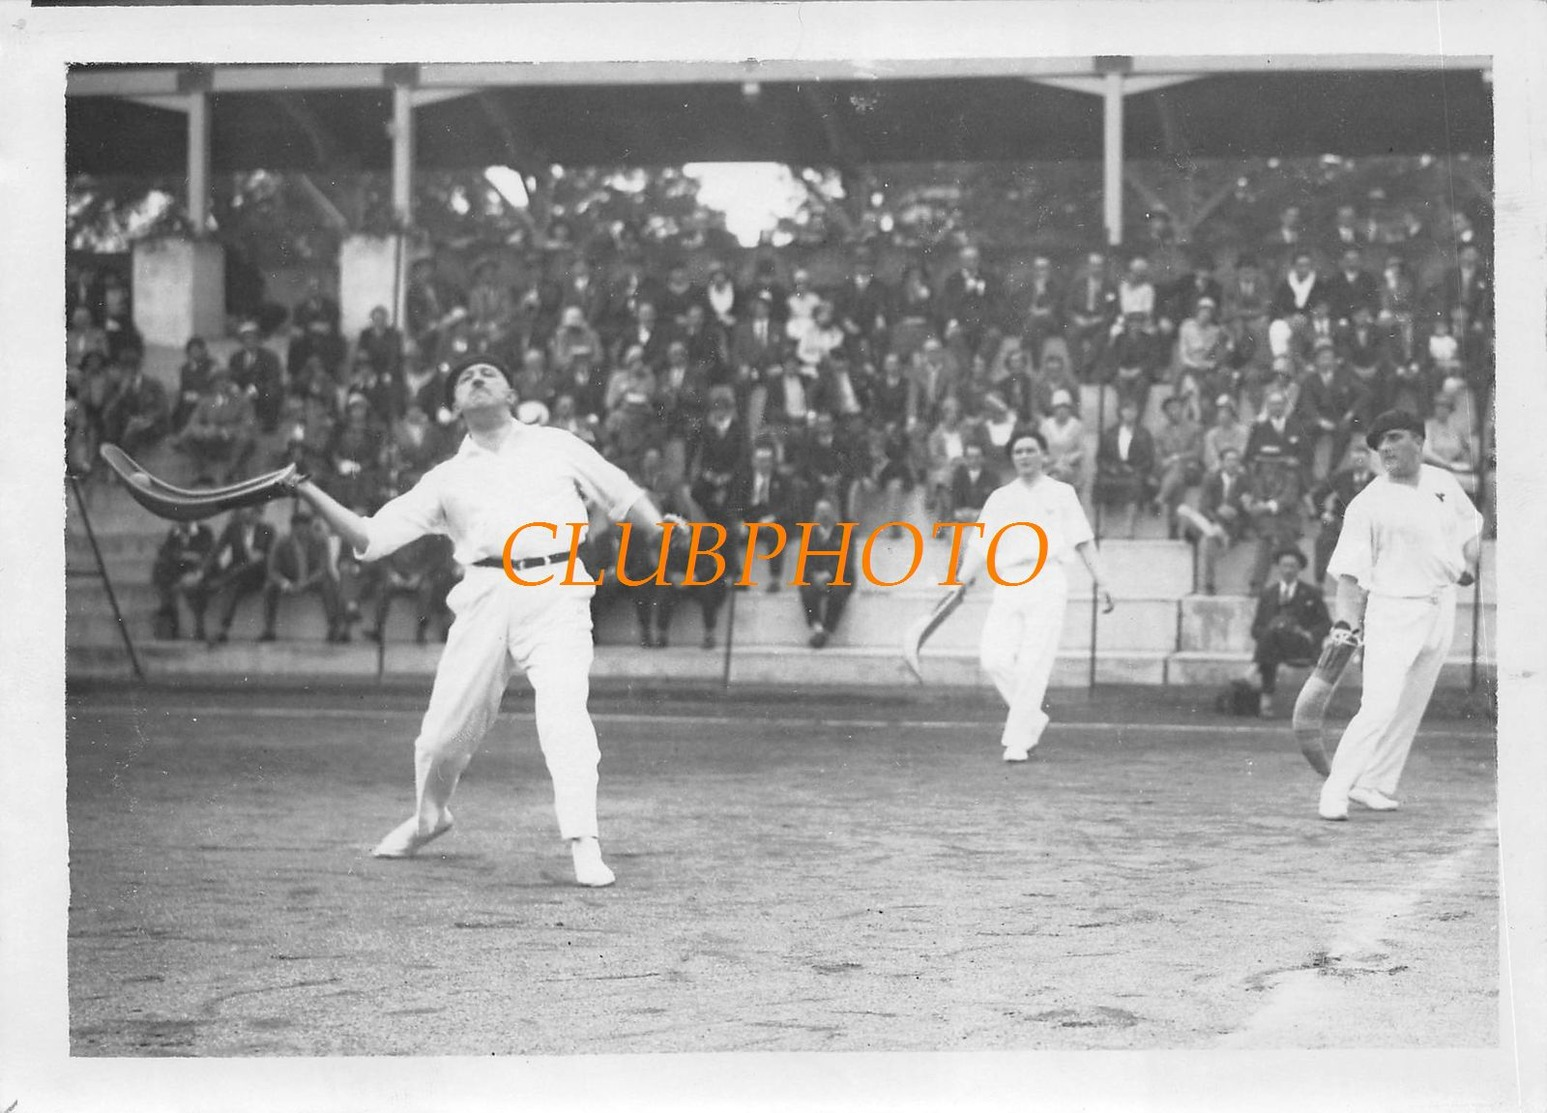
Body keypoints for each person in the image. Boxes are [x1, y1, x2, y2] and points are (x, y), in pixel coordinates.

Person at [288, 355, 676, 886]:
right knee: (440, 740)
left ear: (512, 392)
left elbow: (624, 494)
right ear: (453, 407)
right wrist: (306, 488)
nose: (476, 377)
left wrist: (658, 528)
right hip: (484, 598)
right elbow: (371, 539)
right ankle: (429, 820)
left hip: (557, 592)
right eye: (464, 378)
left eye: (488, 373)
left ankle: (584, 843)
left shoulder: (557, 444)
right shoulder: (445, 478)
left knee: (564, 718)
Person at [1317, 410, 1482, 821]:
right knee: (1378, 707)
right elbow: (1350, 576)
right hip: (1393, 610)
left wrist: (1470, 564)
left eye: (1393, 438)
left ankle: (1375, 784)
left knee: (1410, 705)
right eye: (1379, 444)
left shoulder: (1443, 483)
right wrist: (1346, 623)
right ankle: (1335, 790)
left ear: (1418, 440)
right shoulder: (1366, 504)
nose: (1385, 449)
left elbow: (1471, 529)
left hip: (1441, 607)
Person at [952, 429, 1115, 761]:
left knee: (1032, 664)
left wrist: (1104, 582)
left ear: (1043, 454)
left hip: (1048, 579)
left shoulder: (1063, 493)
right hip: (1009, 580)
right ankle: (1032, 718)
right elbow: (979, 547)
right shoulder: (1000, 498)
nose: (1024, 457)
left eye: (1030, 450)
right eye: (1018, 452)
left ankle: (1016, 741)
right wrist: (959, 581)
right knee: (993, 657)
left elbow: (1083, 540)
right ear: (1012, 459)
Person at [1249, 546, 1331, 719]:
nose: (1288, 570)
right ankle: (1266, 704)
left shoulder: (1311, 593)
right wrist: (1268, 634)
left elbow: (1326, 623)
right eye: (1284, 565)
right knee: (1273, 632)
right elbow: (1256, 627)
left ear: (1299, 568)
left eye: (1292, 566)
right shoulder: (1268, 594)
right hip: (1274, 648)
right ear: (1279, 567)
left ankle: (1257, 675)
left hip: (1301, 645)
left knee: (1275, 633)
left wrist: (1310, 634)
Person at [263, 502, 347, 643]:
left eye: (306, 527)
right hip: (289, 579)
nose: (303, 531)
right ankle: (269, 629)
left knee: (329, 583)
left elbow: (323, 569)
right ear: (293, 528)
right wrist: (285, 584)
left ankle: (333, 628)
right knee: (269, 587)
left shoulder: (320, 541)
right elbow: (272, 570)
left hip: (311, 580)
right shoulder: (281, 542)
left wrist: (305, 583)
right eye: (299, 528)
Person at [199, 505, 277, 645]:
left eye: (255, 513)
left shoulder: (267, 530)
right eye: (248, 512)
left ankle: (223, 581)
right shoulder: (233, 529)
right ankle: (223, 630)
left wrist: (261, 557)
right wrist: (201, 572)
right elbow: (216, 551)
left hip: (261, 574)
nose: (251, 516)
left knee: (250, 566)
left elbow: (273, 556)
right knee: (233, 586)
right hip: (241, 577)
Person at [1310, 443, 1377, 585]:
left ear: (1368, 460)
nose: (1358, 464)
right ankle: (1318, 583)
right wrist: (1323, 513)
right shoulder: (1342, 477)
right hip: (1339, 523)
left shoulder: (1376, 481)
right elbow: (1318, 495)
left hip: (1364, 527)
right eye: (1355, 460)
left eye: (1361, 460)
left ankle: (1366, 586)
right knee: (1323, 541)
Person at [797, 497, 855, 649]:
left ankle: (827, 630)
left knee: (838, 592)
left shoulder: (844, 532)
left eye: (826, 511)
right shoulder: (810, 533)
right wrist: (814, 576)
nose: (823, 515)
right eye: (820, 512)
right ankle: (817, 628)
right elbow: (805, 561)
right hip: (816, 576)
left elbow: (847, 560)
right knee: (807, 590)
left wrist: (829, 574)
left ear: (833, 513)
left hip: (839, 577)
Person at [150, 519, 215, 641]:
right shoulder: (174, 533)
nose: (181, 523)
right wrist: (186, 557)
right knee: (161, 572)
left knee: (195, 590)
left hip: (198, 574)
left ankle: (198, 628)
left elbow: (208, 556)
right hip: (178, 575)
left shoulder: (204, 532)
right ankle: (169, 620)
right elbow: (167, 553)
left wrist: (194, 569)